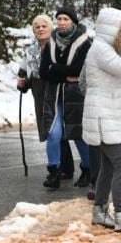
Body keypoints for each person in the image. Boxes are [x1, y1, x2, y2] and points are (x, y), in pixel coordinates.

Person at [82, 8, 121, 232]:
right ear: (114, 28)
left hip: (106, 115)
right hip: (104, 116)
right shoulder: (101, 49)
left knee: (109, 167)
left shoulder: (103, 48)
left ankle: (100, 211)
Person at [17, 15, 76, 182]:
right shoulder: (31, 50)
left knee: (59, 130)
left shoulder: (59, 46)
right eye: (37, 27)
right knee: (55, 131)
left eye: (44, 26)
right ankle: (64, 168)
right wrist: (22, 83)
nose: (41, 29)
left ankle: (71, 168)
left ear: (51, 28)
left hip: (60, 91)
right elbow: (24, 71)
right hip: (40, 93)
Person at [40, 6, 91, 190]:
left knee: (78, 134)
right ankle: (54, 171)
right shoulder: (51, 41)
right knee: (54, 134)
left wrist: (55, 69)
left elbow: (80, 70)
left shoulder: (85, 42)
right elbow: (43, 71)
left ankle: (87, 169)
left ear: (73, 22)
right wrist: (62, 73)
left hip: (75, 95)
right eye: (59, 18)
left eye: (66, 19)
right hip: (54, 95)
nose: (61, 22)